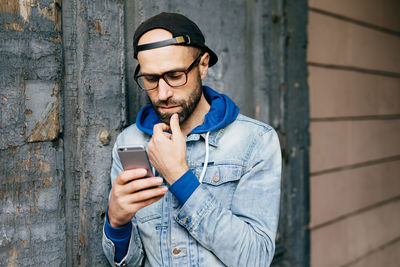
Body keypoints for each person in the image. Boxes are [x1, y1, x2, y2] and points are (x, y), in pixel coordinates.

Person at [102, 12, 281, 267]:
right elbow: (132, 262)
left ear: (204, 64)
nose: (162, 94)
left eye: (175, 76)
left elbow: (255, 258)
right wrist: (117, 224)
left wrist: (179, 177)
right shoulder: (130, 143)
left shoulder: (255, 141)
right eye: (151, 79)